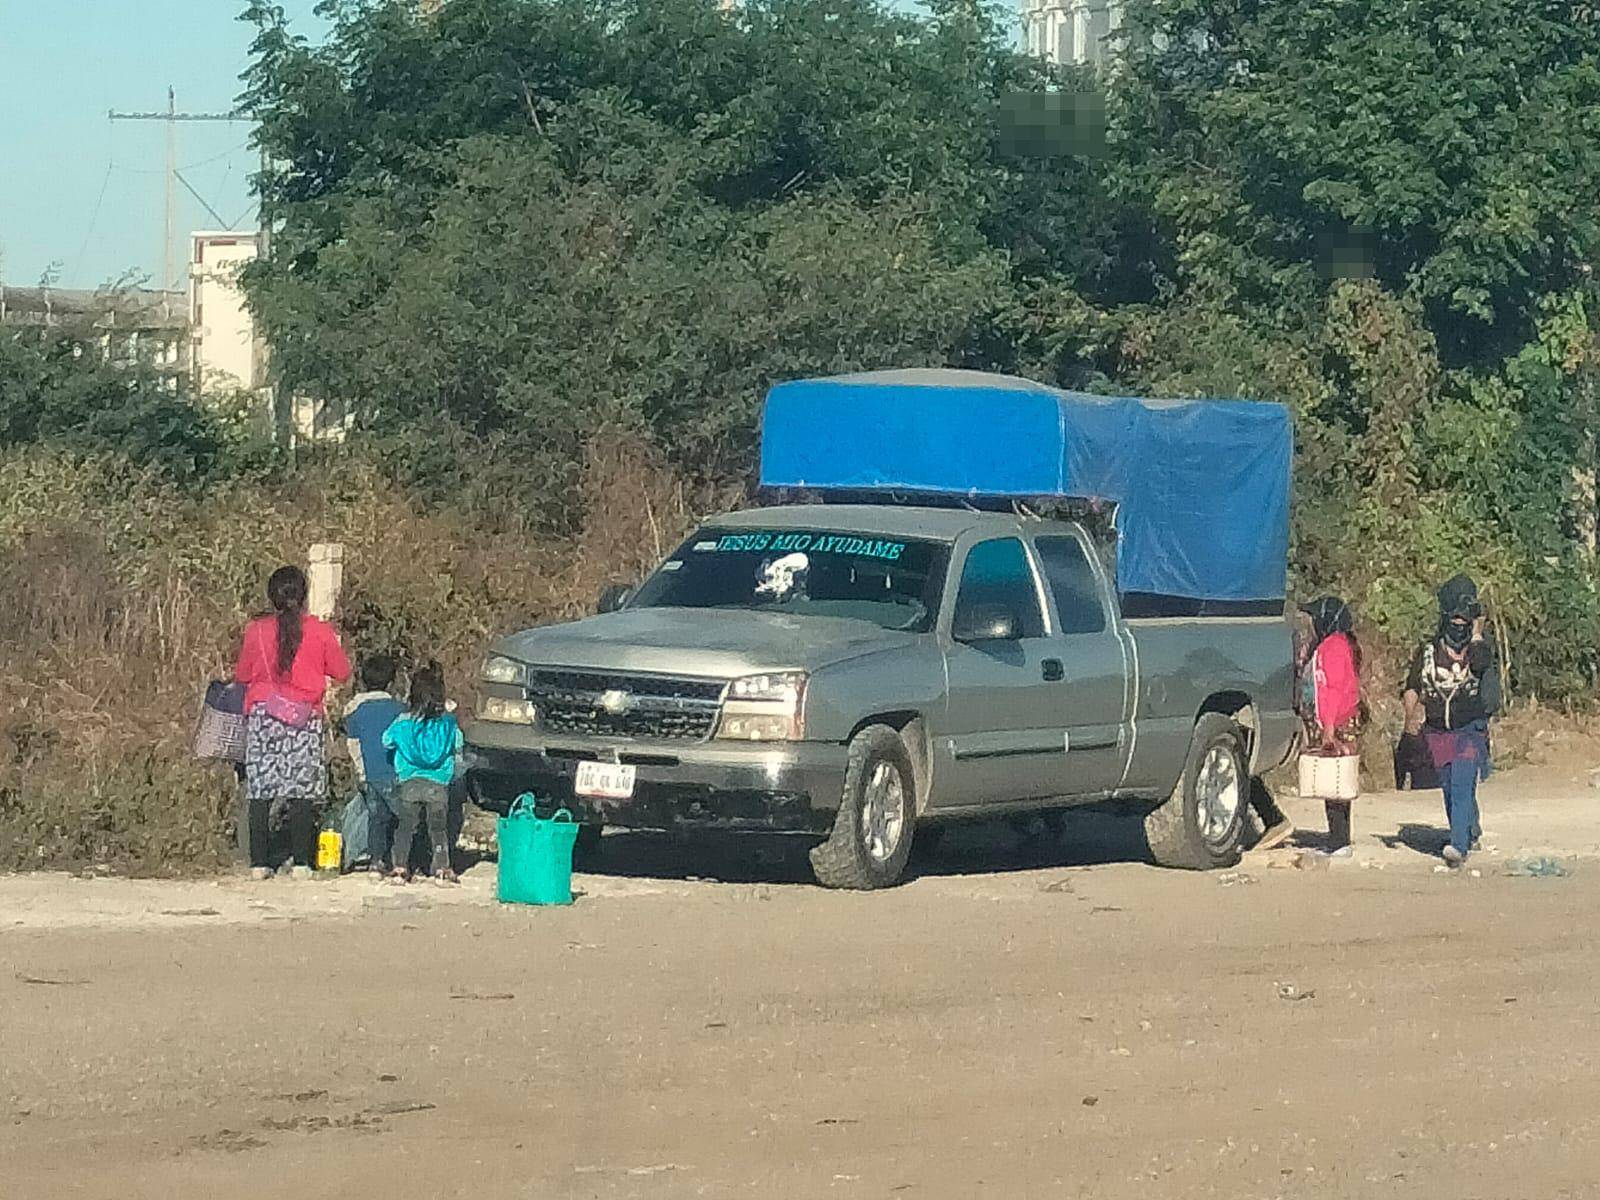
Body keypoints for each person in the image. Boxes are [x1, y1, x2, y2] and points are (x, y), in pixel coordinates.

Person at [234, 565, 351, 879]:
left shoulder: (255, 631)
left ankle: (259, 863)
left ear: (272, 596)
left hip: (263, 717)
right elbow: (342, 671)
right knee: (302, 791)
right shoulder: (319, 631)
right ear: (303, 594)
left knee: (260, 789)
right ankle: (301, 862)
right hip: (304, 717)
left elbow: (243, 674)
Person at [1403, 575, 1501, 867]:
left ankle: (1458, 845)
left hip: (1470, 728)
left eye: (1465, 617)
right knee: (1450, 785)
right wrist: (1410, 718)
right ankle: (1470, 829)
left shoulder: (1479, 649)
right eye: (1455, 616)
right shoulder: (1428, 651)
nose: (1459, 622)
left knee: (1461, 782)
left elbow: (1483, 666)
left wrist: (1478, 630)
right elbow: (1412, 685)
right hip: (1437, 730)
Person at [382, 660, 463, 884]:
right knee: (438, 829)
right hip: (438, 783)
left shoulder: (403, 722)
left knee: (406, 827)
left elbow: (386, 741)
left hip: (409, 781)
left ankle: (399, 866)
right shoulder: (448, 724)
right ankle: (442, 868)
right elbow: (459, 744)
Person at [1297, 597, 1363, 855]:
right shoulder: (1331, 644)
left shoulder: (1334, 646)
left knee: (1335, 780)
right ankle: (1339, 838)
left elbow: (1333, 689)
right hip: (1341, 719)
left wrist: (1329, 731)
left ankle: (1339, 841)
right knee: (1337, 781)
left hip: (1339, 721)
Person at [341, 654, 407, 873]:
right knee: (401, 818)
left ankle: (375, 861)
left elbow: (353, 745)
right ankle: (401, 860)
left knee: (376, 818)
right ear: (391, 682)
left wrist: (362, 771)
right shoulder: (400, 710)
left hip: (370, 775)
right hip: (394, 773)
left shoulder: (356, 712)